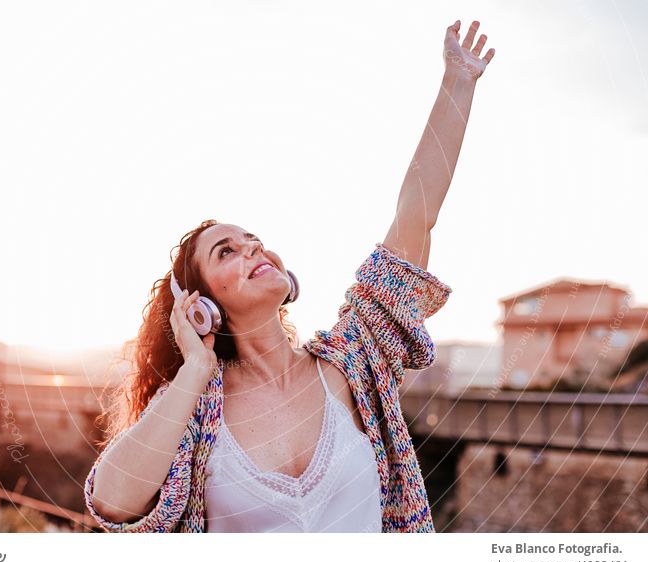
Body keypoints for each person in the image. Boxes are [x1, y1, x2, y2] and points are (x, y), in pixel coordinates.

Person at [84, 19, 495, 533]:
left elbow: (416, 212)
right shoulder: (195, 409)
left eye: (254, 239)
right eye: (226, 251)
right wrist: (193, 369)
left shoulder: (354, 359)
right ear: (200, 304)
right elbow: (114, 504)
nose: (253, 248)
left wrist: (458, 81)